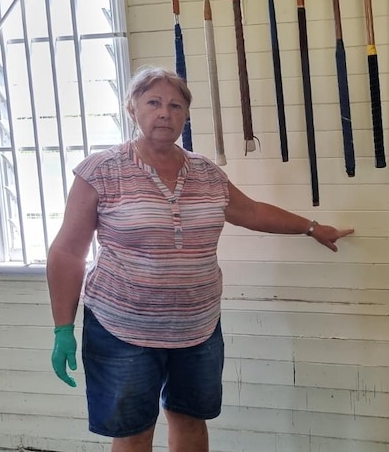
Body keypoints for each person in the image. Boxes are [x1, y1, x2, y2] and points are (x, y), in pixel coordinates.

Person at [46, 66, 353, 452]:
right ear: (132, 109)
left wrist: (311, 227)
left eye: (175, 106)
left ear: (185, 116)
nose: (165, 113)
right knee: (134, 433)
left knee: (191, 421)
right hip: (121, 328)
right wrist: (62, 328)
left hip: (198, 329)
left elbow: (252, 211)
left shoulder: (206, 172)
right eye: (153, 102)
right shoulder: (102, 170)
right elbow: (67, 252)